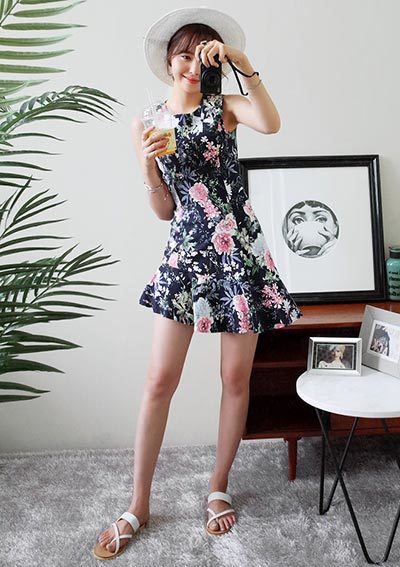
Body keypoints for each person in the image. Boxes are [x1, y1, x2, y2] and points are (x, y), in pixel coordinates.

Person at [93, 6, 302, 560]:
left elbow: (271, 123)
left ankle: (217, 487)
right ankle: (138, 504)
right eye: (184, 55)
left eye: (202, 57)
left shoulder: (226, 108)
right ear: (168, 60)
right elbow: (165, 210)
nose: (192, 66)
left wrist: (240, 61)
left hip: (239, 255)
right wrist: (146, 168)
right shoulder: (146, 122)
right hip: (184, 256)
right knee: (159, 381)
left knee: (234, 378)